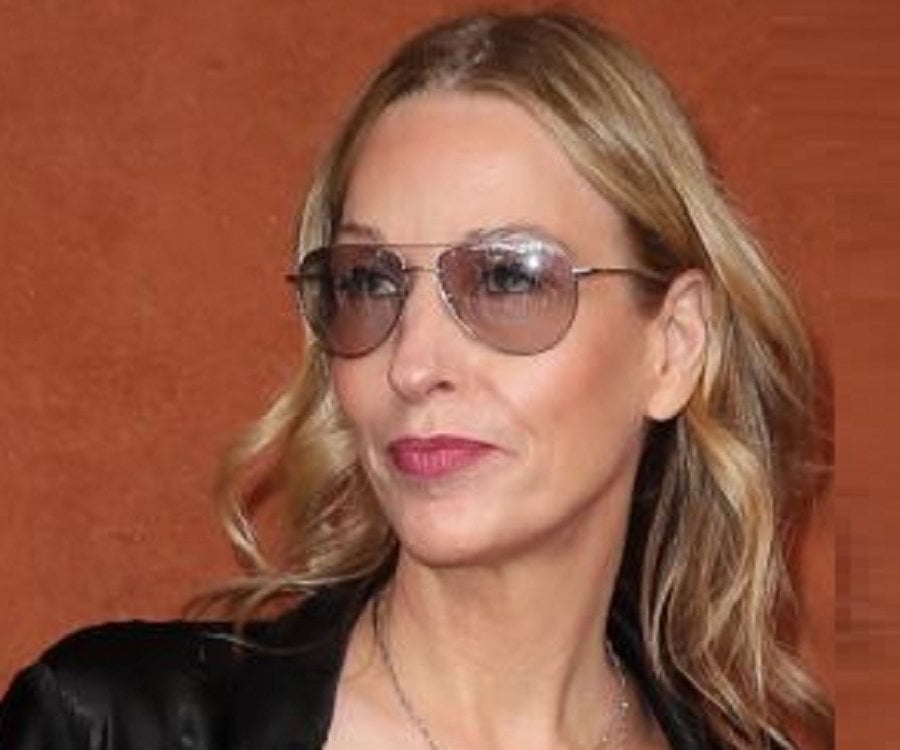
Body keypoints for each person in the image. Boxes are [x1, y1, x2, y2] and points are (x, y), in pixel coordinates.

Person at [0, 10, 829, 750]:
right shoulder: (105, 726)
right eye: (370, 281)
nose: (412, 363)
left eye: (506, 278)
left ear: (674, 348)